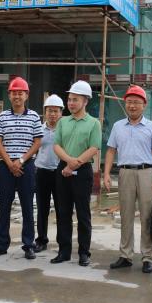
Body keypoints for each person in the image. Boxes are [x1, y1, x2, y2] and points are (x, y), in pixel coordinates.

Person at [104, 85, 152, 273]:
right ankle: (125, 255)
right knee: (126, 215)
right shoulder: (118, 126)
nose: (132, 106)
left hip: (146, 172)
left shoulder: (151, 127)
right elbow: (111, 151)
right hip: (125, 172)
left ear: (144, 105)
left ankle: (147, 257)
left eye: (136, 102)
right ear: (125, 104)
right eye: (129, 102)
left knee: (147, 216)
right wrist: (106, 174)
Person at [0, 77, 43, 260]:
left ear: (26, 95)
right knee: (4, 206)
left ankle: (28, 245)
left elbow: (37, 142)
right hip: (6, 167)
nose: (17, 96)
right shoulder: (2, 116)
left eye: (20, 93)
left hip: (26, 166)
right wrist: (10, 163)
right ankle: (1, 245)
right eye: (14, 93)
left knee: (27, 206)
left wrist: (20, 160)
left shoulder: (34, 116)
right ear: (9, 95)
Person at [51, 80, 101, 267]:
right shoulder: (63, 121)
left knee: (83, 213)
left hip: (83, 171)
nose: (71, 103)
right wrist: (69, 162)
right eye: (70, 99)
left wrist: (74, 164)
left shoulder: (93, 123)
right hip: (63, 169)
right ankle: (64, 251)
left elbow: (94, 147)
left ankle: (83, 252)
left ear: (85, 101)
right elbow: (56, 145)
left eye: (75, 100)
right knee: (63, 212)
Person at [34, 94, 64, 252]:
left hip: (60, 173)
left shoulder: (65, 130)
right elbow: (33, 149)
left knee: (61, 208)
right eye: (49, 111)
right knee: (42, 208)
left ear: (61, 112)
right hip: (42, 173)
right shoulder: (38, 129)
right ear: (45, 112)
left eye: (56, 111)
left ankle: (62, 241)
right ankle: (41, 240)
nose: (52, 114)